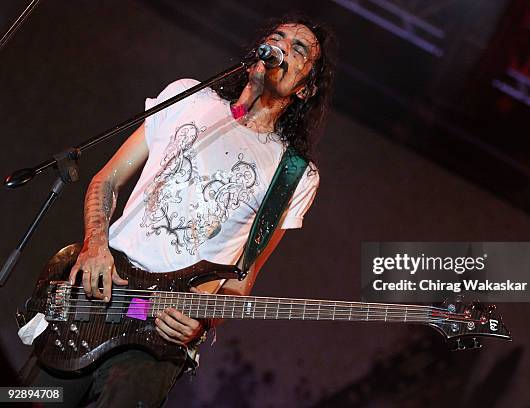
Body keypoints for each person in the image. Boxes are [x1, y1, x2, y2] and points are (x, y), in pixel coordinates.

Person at [20, 16, 336, 407]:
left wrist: (203, 322)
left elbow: (242, 281)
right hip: (100, 292)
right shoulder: (190, 96)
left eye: (299, 49)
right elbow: (106, 181)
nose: (283, 46)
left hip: (156, 329)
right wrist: (94, 246)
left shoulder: (294, 174)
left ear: (306, 88)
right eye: (277, 37)